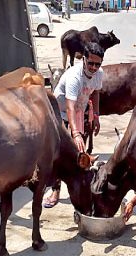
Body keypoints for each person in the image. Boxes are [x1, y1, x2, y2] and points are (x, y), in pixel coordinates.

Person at [44, 42, 105, 208]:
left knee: (80, 155)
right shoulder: (74, 77)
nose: (93, 67)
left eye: (97, 64)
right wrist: (75, 133)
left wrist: (97, 116)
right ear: (83, 59)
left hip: (80, 112)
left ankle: (80, 184)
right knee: (59, 155)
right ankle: (55, 190)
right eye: (90, 63)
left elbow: (96, 93)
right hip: (61, 114)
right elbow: (69, 106)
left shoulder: (99, 74)